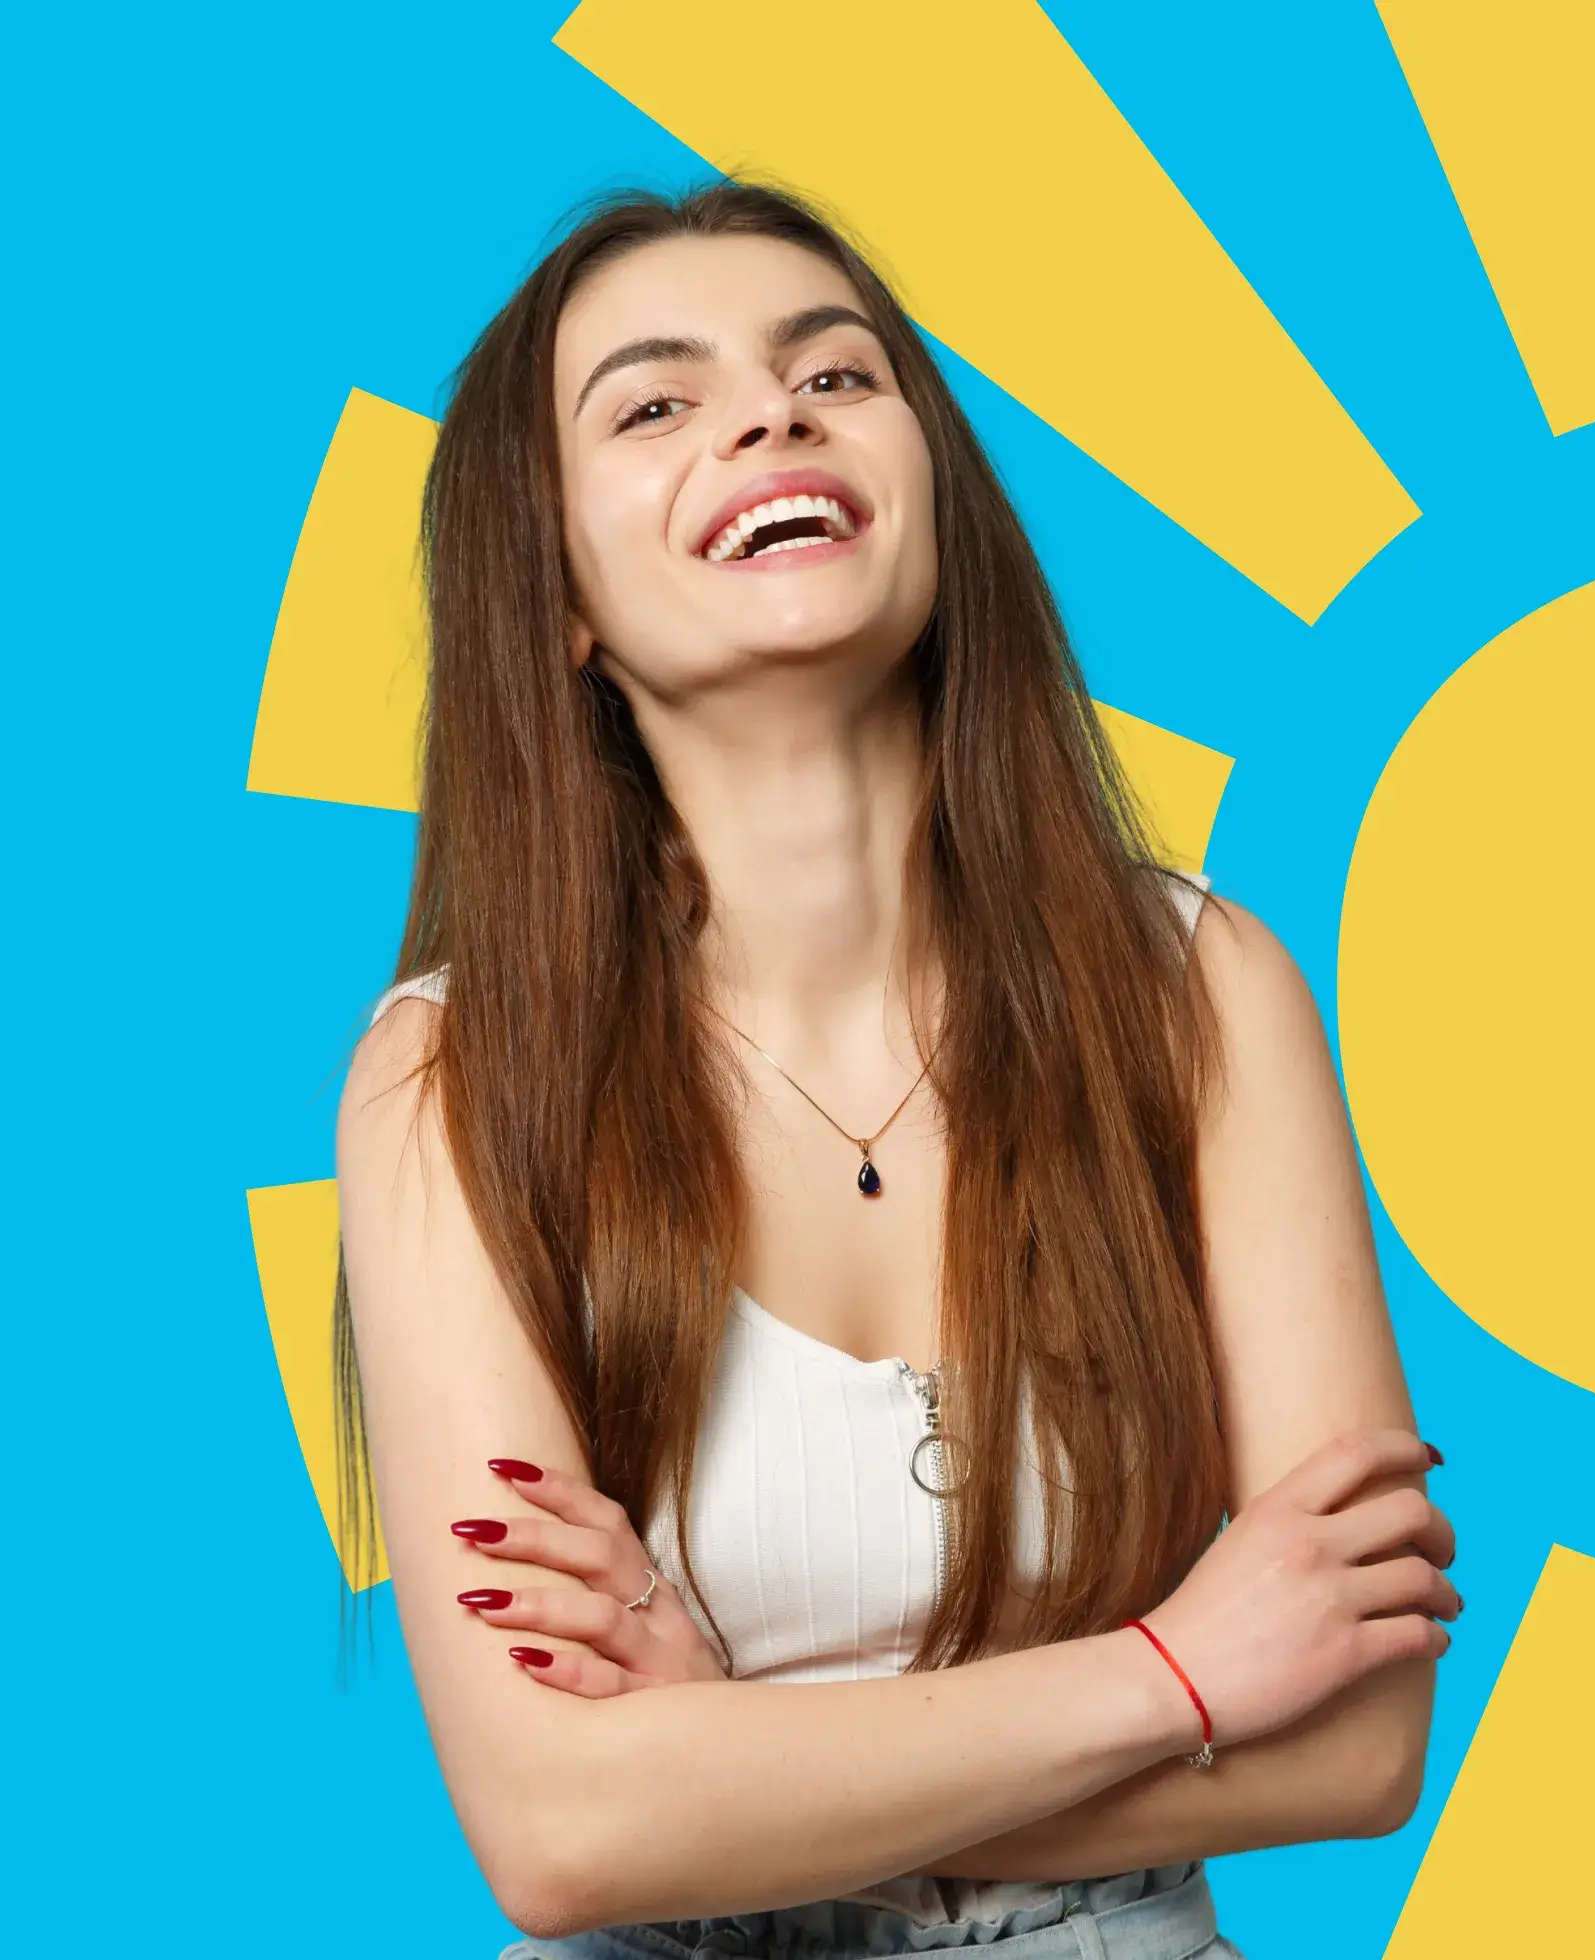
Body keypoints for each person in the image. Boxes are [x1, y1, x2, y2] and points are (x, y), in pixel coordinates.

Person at [332, 177, 1459, 1960]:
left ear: (937, 499)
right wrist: (1181, 1669)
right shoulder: (455, 1078)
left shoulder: (1200, 991)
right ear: (556, 606)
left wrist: (742, 1778)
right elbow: (559, 1834)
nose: (769, 414)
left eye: (834, 375)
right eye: (654, 403)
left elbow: (1358, 1738)